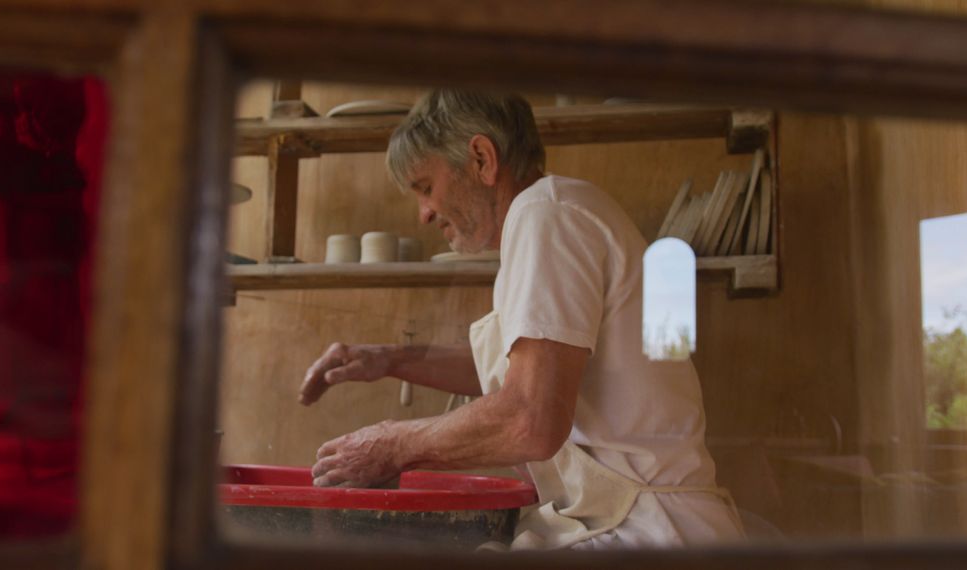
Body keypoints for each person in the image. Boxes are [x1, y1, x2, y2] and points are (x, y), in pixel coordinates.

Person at [299, 89, 744, 549]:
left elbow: (530, 416)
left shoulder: (546, 214)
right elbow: (526, 370)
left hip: (648, 529)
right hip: (633, 520)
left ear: (481, 159)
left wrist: (392, 445)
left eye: (426, 188)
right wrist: (388, 359)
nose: (425, 213)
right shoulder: (553, 214)